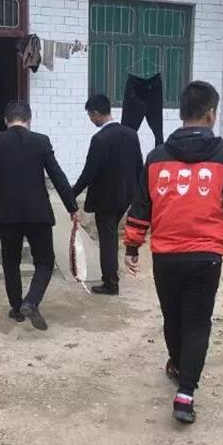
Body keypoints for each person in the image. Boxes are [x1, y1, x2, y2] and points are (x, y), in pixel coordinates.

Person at [123, 81, 223, 424]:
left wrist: (132, 246)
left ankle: (178, 366)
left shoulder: (156, 158)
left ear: (182, 113)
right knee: (197, 322)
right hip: (206, 256)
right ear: (211, 114)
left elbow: (141, 205)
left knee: (173, 318)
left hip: (166, 256)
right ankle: (185, 393)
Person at [0, 100, 78, 330]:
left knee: (11, 262)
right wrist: (72, 207)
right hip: (38, 213)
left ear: (5, 121)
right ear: (29, 120)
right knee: (45, 262)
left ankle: (17, 308)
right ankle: (32, 301)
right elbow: (57, 175)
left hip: (6, 215)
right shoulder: (41, 141)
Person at [72, 94, 143, 295]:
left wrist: (71, 194)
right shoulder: (131, 134)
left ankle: (111, 283)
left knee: (108, 241)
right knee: (111, 237)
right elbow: (139, 167)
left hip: (105, 199)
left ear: (96, 113)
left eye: (90, 116)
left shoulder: (100, 139)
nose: (91, 120)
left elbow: (89, 172)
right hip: (126, 196)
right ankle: (112, 278)